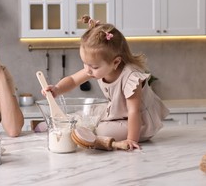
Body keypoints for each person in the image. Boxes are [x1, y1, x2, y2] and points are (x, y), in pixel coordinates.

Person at [43, 15, 169, 150]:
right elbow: (73, 80)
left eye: (94, 67)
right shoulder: (95, 67)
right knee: (85, 118)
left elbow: (134, 112)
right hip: (119, 116)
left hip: (139, 123)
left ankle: (98, 138)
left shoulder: (130, 77)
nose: (88, 70)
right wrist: (57, 88)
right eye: (85, 64)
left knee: (102, 131)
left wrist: (131, 140)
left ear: (116, 62)